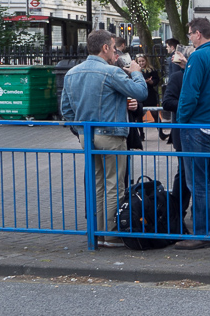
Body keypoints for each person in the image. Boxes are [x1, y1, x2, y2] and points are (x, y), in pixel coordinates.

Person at [60, 29, 148, 248]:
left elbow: (66, 110)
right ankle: (112, 235)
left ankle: (98, 233)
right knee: (114, 186)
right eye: (113, 47)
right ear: (105, 48)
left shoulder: (72, 73)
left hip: (87, 136)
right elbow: (140, 92)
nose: (115, 51)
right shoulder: (110, 72)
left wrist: (80, 129)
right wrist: (136, 71)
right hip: (111, 135)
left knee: (98, 184)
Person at [176, 17, 210, 250]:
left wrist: (181, 121)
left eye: (190, 34)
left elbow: (190, 94)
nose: (189, 38)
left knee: (197, 181)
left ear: (198, 34)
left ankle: (203, 233)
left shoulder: (198, 56)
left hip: (197, 126)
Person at [161, 45, 192, 216]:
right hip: (183, 132)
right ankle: (177, 210)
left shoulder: (201, 76)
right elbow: (167, 102)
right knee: (184, 172)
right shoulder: (177, 78)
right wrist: (189, 107)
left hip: (199, 132)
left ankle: (198, 209)